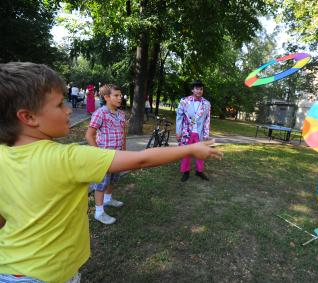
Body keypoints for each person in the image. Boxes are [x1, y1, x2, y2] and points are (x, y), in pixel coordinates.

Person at [0, 62, 222, 282]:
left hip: (9, 267)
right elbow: (142, 159)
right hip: (50, 275)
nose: (68, 109)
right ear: (28, 117)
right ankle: (100, 208)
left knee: (109, 182)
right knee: (102, 183)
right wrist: (192, 148)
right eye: (59, 105)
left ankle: (108, 200)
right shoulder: (69, 157)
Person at [85, 84, 126, 225]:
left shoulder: (121, 114)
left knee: (113, 179)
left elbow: (122, 133)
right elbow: (89, 135)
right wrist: (98, 154)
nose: (120, 98)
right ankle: (99, 212)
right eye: (116, 95)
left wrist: (123, 150)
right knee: (101, 183)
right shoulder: (100, 113)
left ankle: (109, 199)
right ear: (107, 97)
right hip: (104, 156)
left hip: (117, 155)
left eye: (120, 95)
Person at [176, 80, 211, 182]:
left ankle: (199, 171)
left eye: (201, 89)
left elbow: (207, 120)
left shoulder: (207, 104)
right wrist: (178, 131)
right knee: (186, 153)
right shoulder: (184, 101)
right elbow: (179, 117)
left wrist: (206, 134)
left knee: (200, 152)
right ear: (192, 90)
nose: (199, 91)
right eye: (197, 88)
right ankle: (186, 172)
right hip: (187, 132)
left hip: (199, 133)